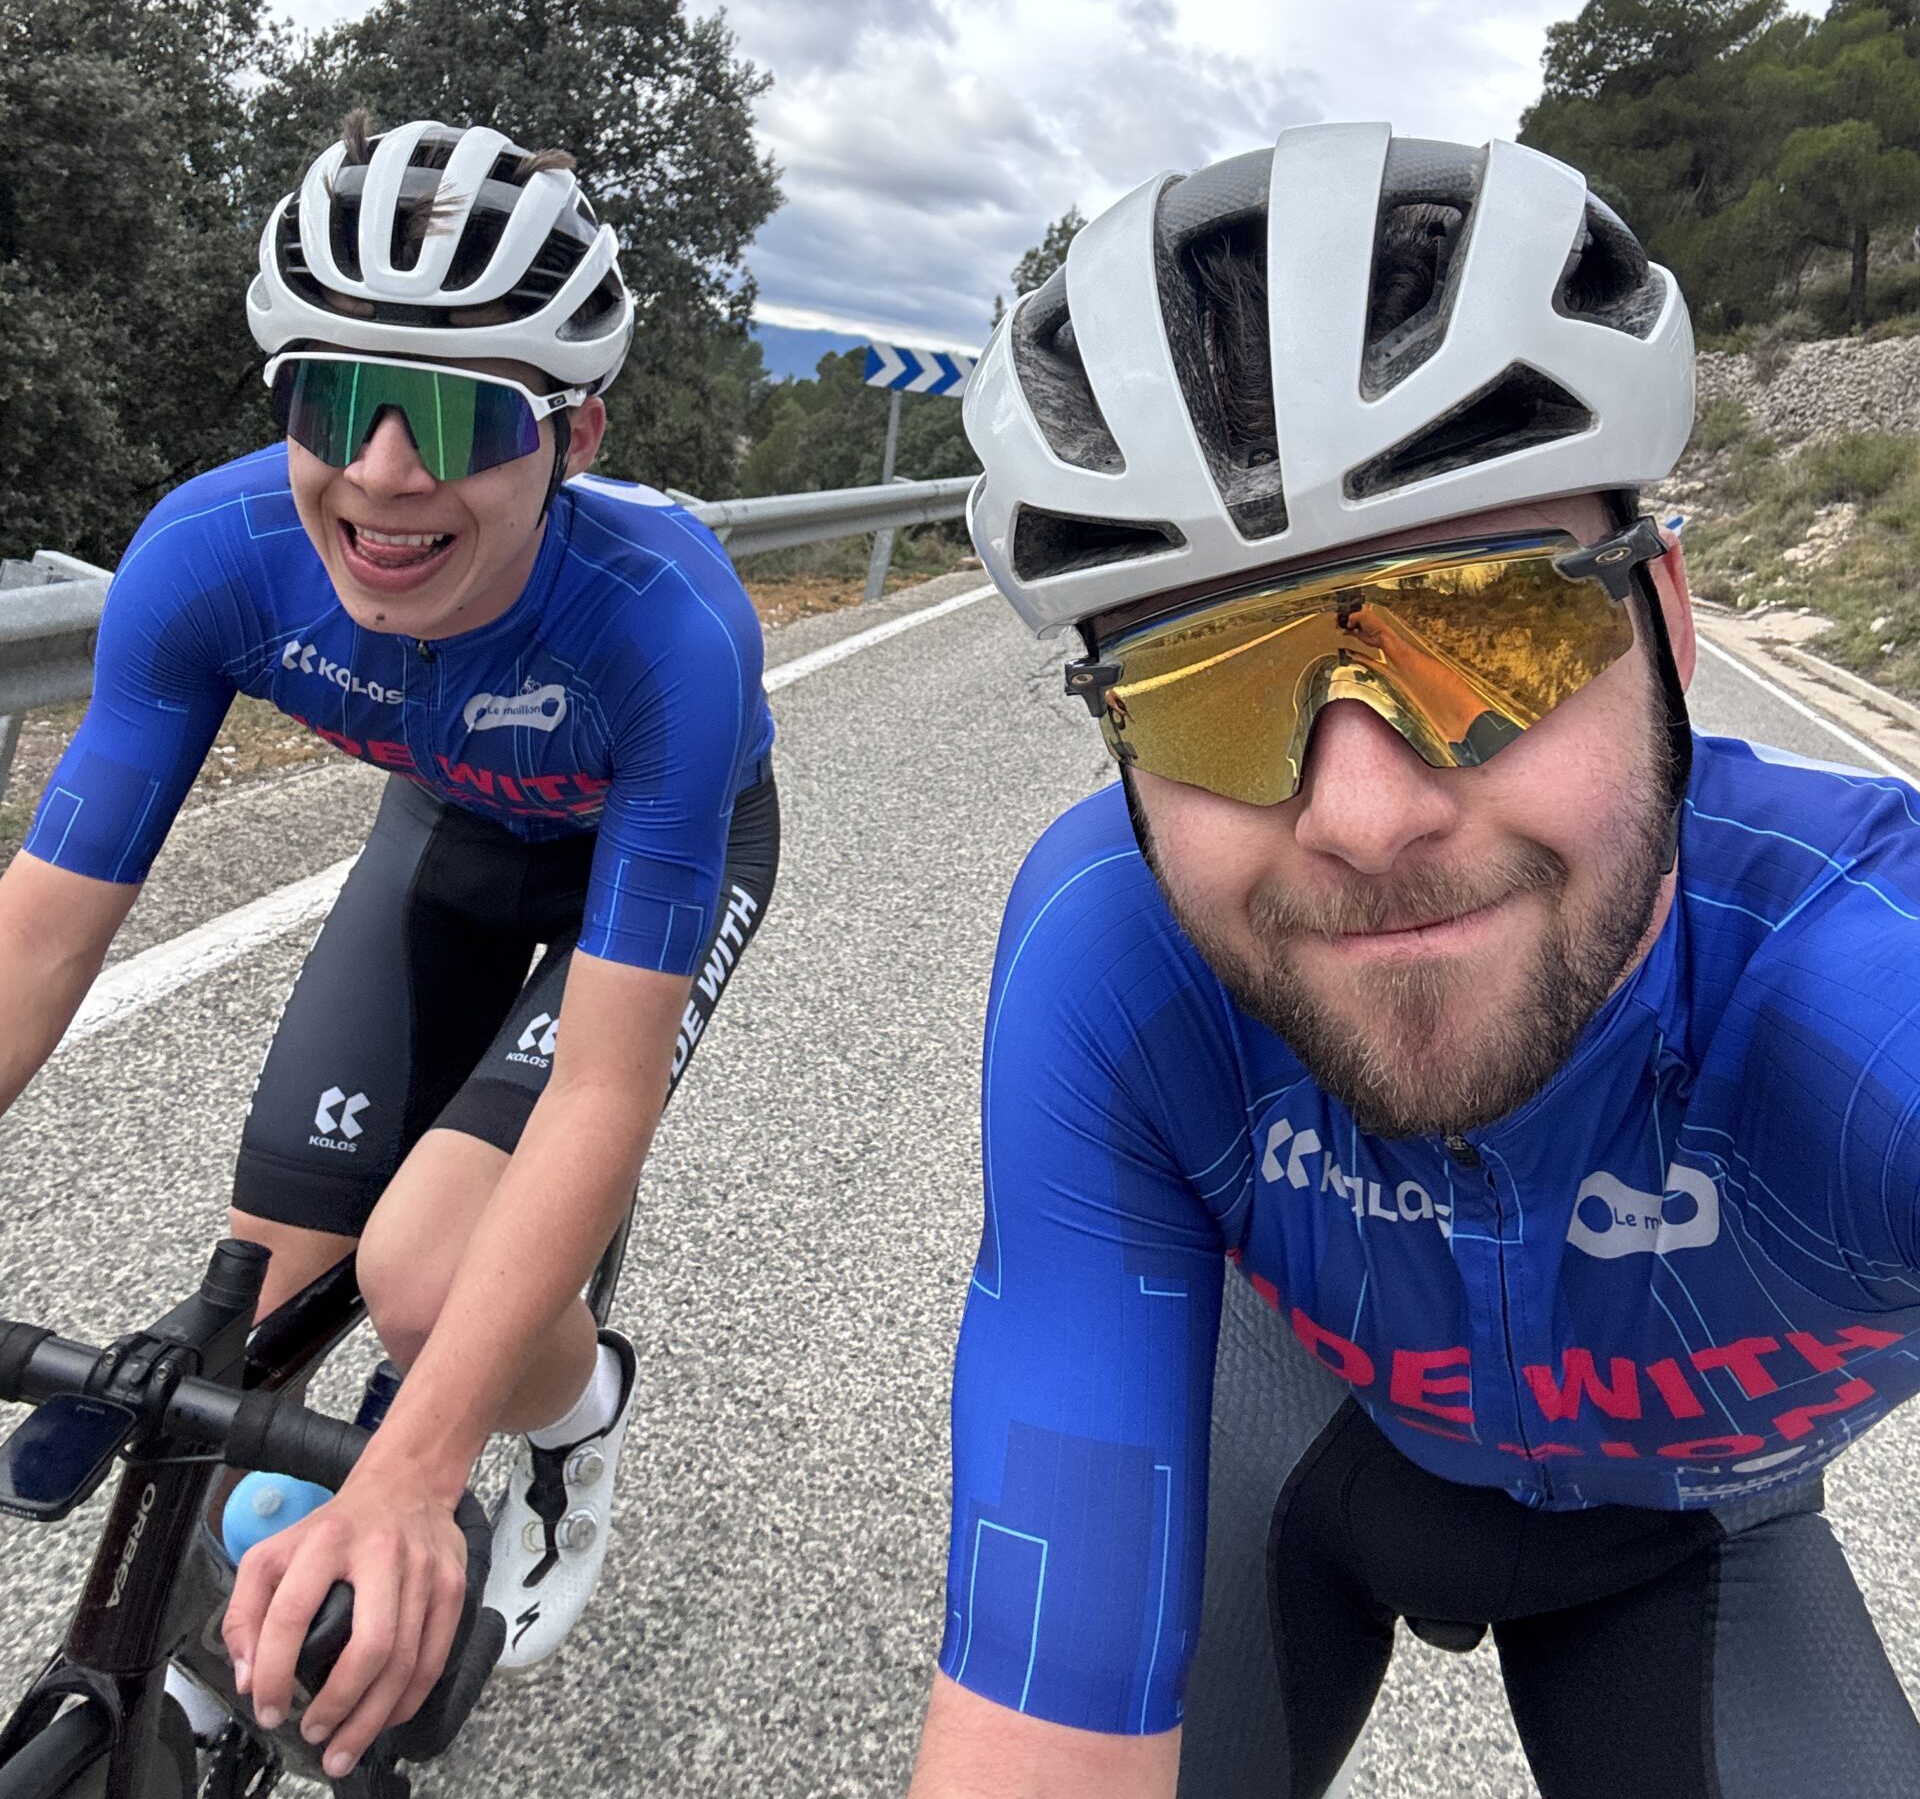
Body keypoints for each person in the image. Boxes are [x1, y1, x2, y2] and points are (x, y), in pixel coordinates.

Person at [910, 123, 1920, 1799]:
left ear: (1667, 622)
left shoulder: (1865, 989)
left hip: (1689, 1555)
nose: (1364, 818)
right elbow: (1037, 1733)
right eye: (1209, 692)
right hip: (1290, 1445)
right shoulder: (1110, 955)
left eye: (1489, 634)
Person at [0, 116, 779, 1779]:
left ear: (575, 433)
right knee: (264, 1286)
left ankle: (578, 1414)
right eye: (333, 400)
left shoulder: (668, 625)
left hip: (655, 857)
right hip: (451, 835)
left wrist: (422, 1467)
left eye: (464, 416)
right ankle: (203, 1654)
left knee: (427, 1278)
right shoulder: (213, 557)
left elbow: (603, 1090)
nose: (384, 475)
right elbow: (39, 942)